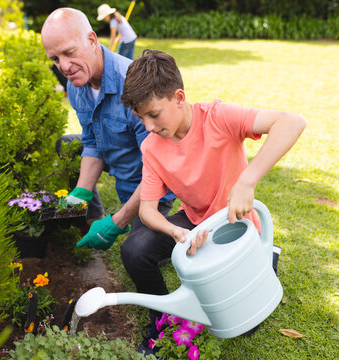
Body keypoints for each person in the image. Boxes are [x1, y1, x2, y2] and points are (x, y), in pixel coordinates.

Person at [120, 49, 306, 355]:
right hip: (194, 223)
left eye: (154, 114)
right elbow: (147, 210)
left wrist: (247, 180)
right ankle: (164, 323)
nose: (149, 125)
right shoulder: (152, 147)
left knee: (246, 325)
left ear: (179, 97)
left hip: (236, 226)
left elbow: (292, 122)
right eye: (141, 117)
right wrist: (176, 233)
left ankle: (264, 254)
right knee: (135, 249)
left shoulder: (218, 117)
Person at [41, 9, 175, 252]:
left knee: (137, 252)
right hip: (116, 155)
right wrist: (81, 192)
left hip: (151, 186)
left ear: (92, 40)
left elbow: (159, 170)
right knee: (71, 143)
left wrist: (118, 221)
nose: (65, 66)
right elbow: (92, 141)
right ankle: (91, 215)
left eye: (69, 53)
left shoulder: (133, 86)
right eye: (55, 59)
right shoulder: (76, 84)